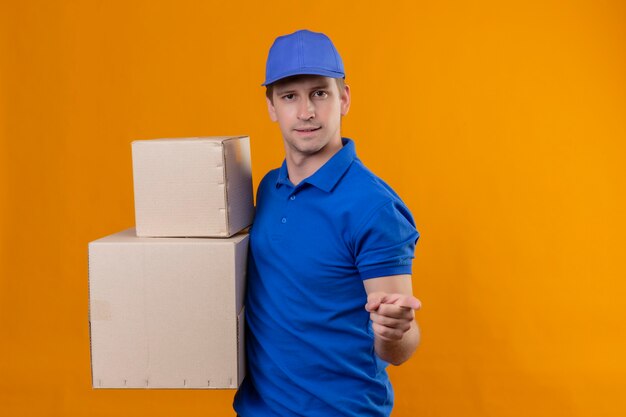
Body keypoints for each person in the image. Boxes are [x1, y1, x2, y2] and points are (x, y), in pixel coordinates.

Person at [233, 29, 421, 417]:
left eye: (320, 93)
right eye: (290, 97)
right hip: (257, 410)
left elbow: (400, 347)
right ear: (271, 107)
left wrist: (394, 330)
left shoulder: (374, 208)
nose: (306, 112)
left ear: (344, 98)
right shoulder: (269, 188)